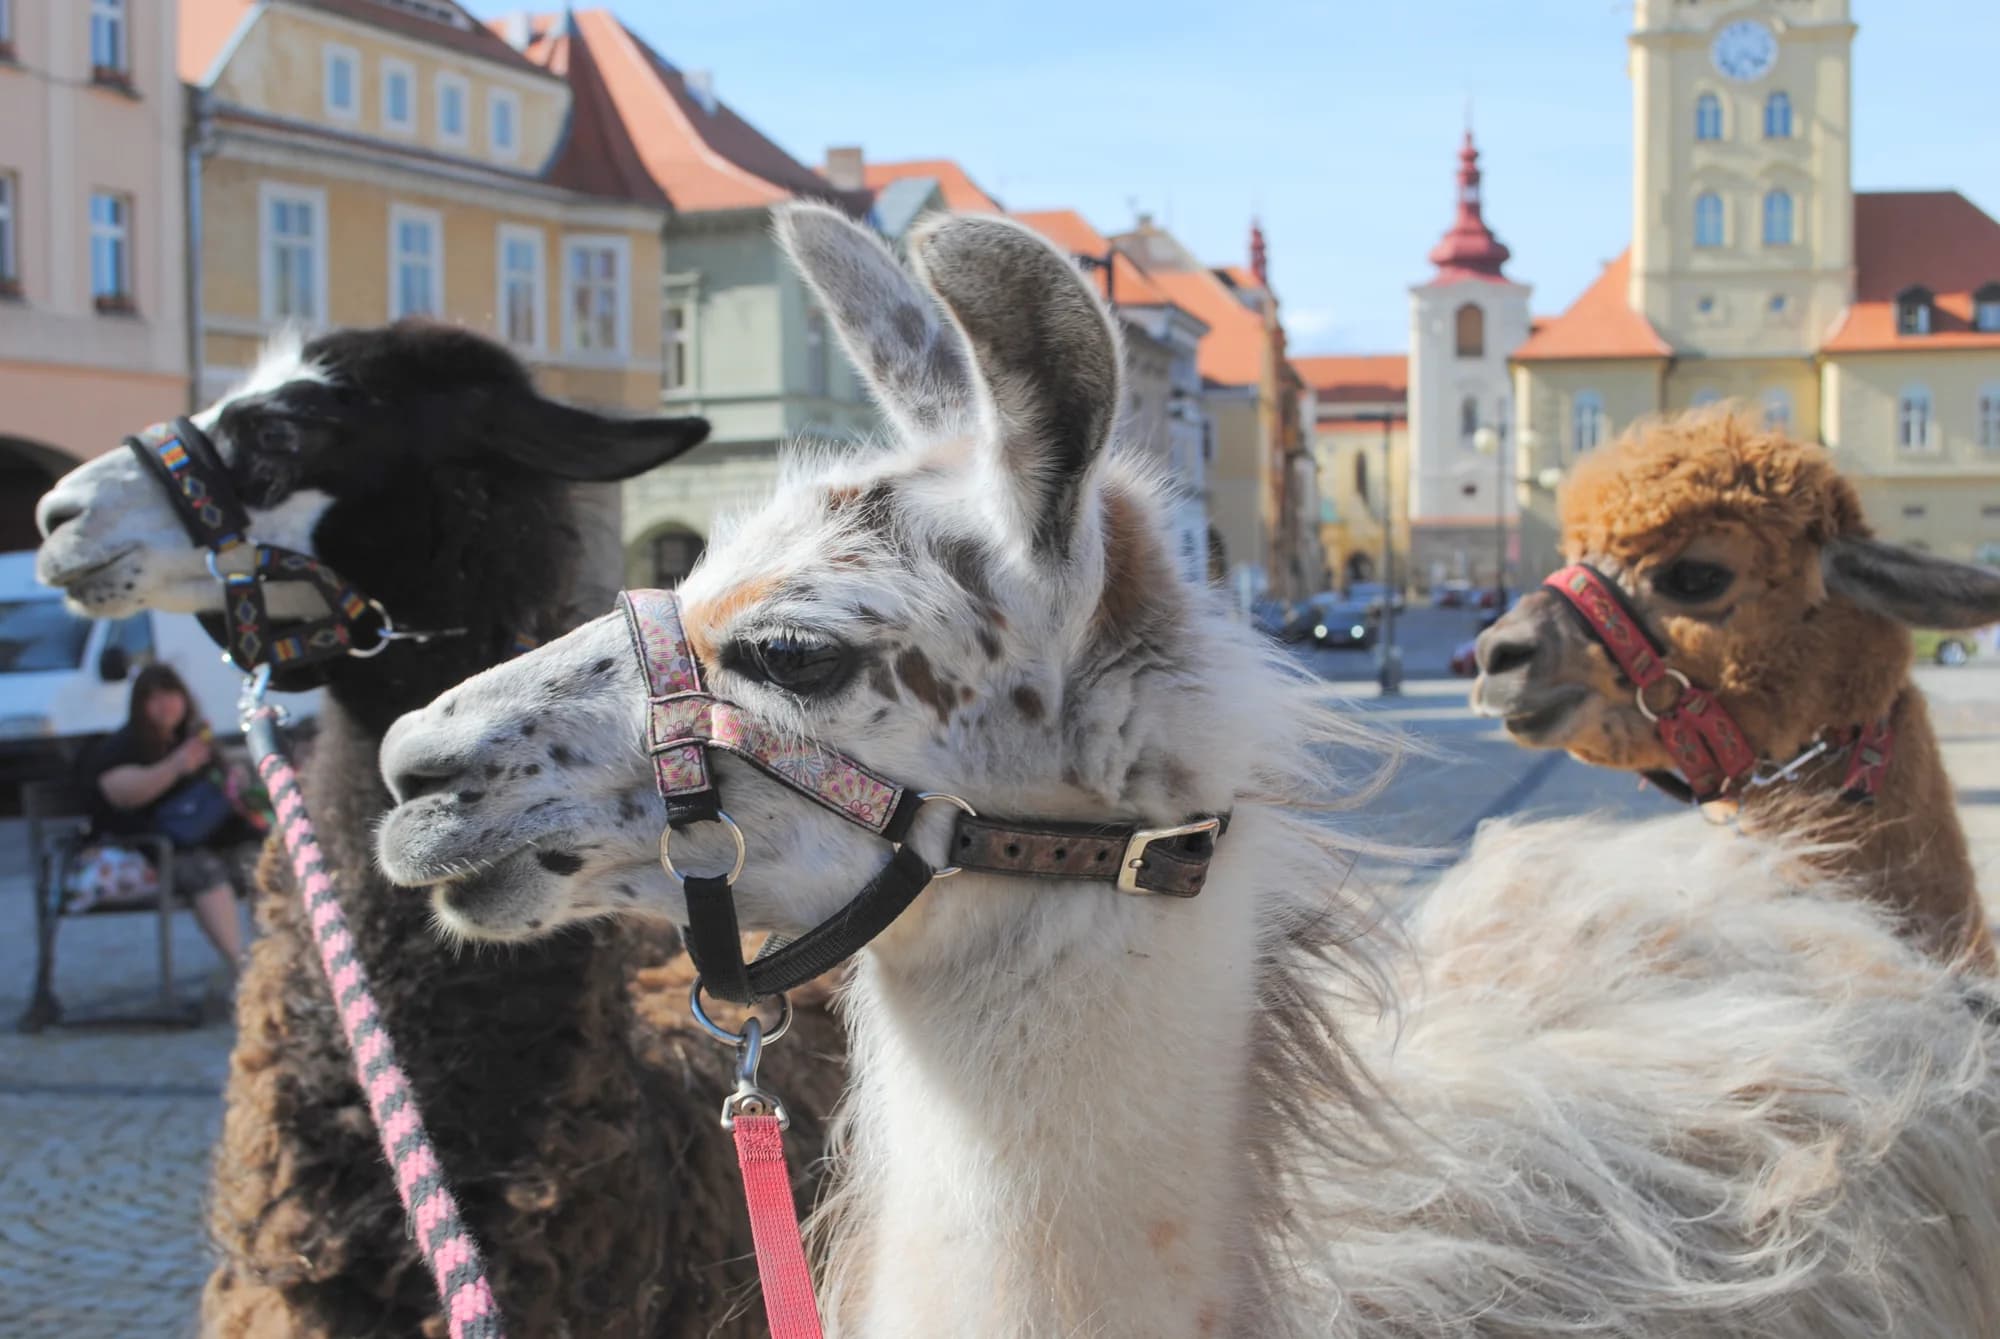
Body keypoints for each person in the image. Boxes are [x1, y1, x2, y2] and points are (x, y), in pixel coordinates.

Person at [88, 664, 260, 977]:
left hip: (202, 841)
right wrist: (176, 766)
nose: (164, 704)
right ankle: (244, 970)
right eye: (152, 698)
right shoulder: (124, 745)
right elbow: (120, 793)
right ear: (138, 706)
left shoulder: (193, 738)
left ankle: (275, 962)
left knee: (262, 862)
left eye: (170, 694)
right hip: (146, 849)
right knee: (204, 871)